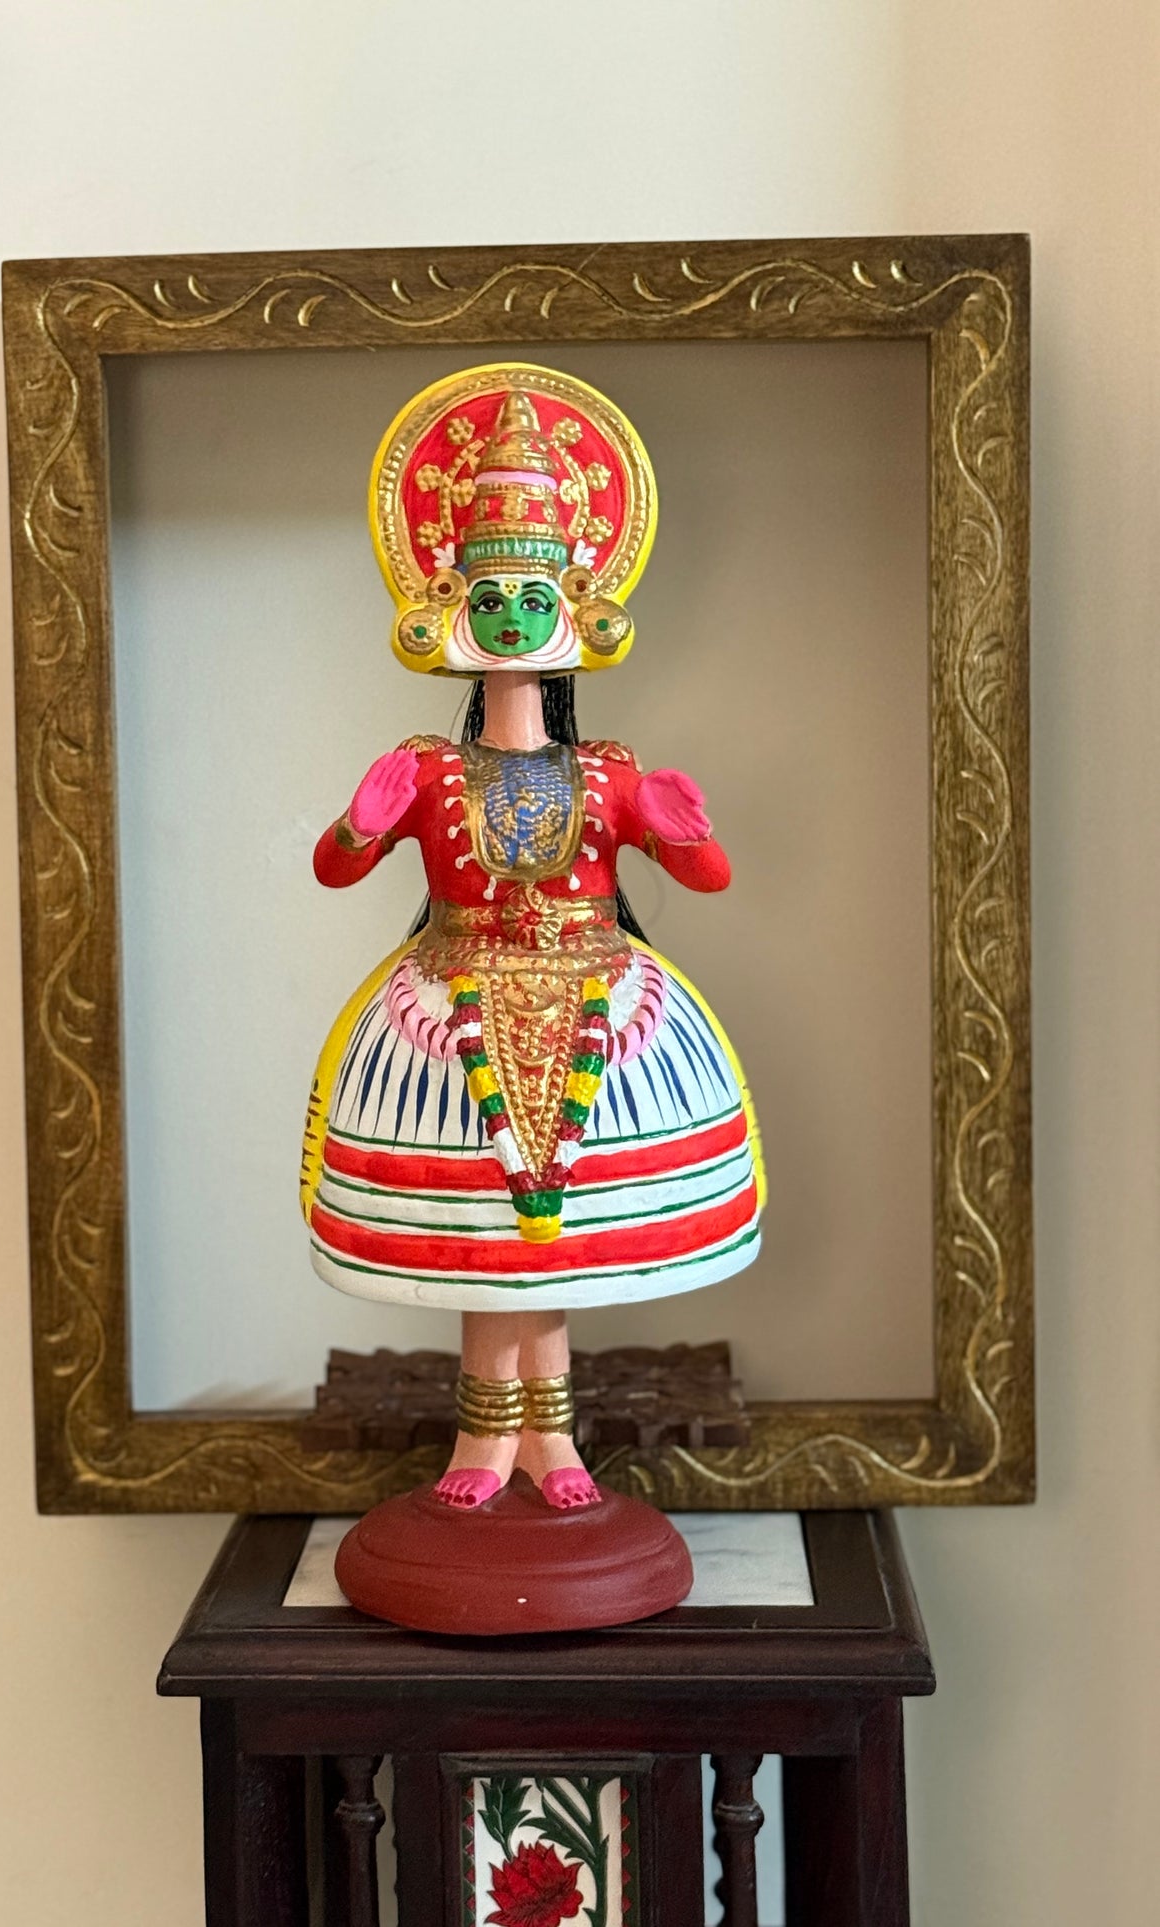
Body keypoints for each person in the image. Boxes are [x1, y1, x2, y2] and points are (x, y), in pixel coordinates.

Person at [301, 367, 764, 1512]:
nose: (509, 617)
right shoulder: (423, 768)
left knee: (549, 1254)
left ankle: (550, 1443)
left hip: (604, 1004)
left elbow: (702, 872)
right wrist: (360, 822)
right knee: (478, 1242)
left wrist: (681, 834)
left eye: (528, 594)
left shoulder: (605, 772)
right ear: (449, 600)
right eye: (491, 594)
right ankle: (479, 1441)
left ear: (572, 607)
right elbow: (336, 866)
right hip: (444, 1010)